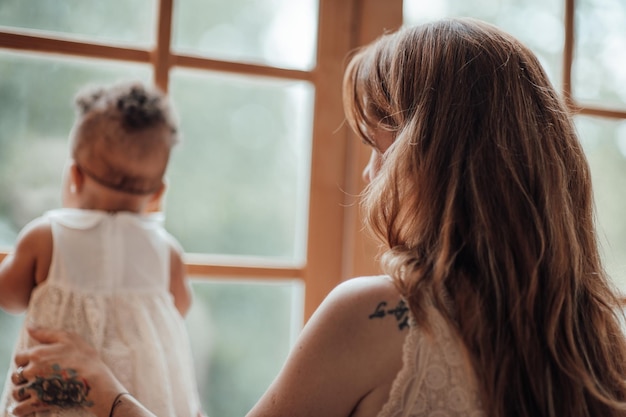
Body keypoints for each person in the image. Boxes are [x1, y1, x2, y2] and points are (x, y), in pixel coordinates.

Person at [7, 17, 626, 417]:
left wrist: (103, 390)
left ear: (431, 164)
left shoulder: (374, 316)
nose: (365, 174)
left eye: (379, 147)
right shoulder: (604, 344)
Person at [0, 81, 203, 417]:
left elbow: (8, 296)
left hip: (59, 397)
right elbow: (180, 307)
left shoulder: (46, 237)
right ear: (157, 194)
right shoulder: (166, 251)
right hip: (136, 405)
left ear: (74, 176)